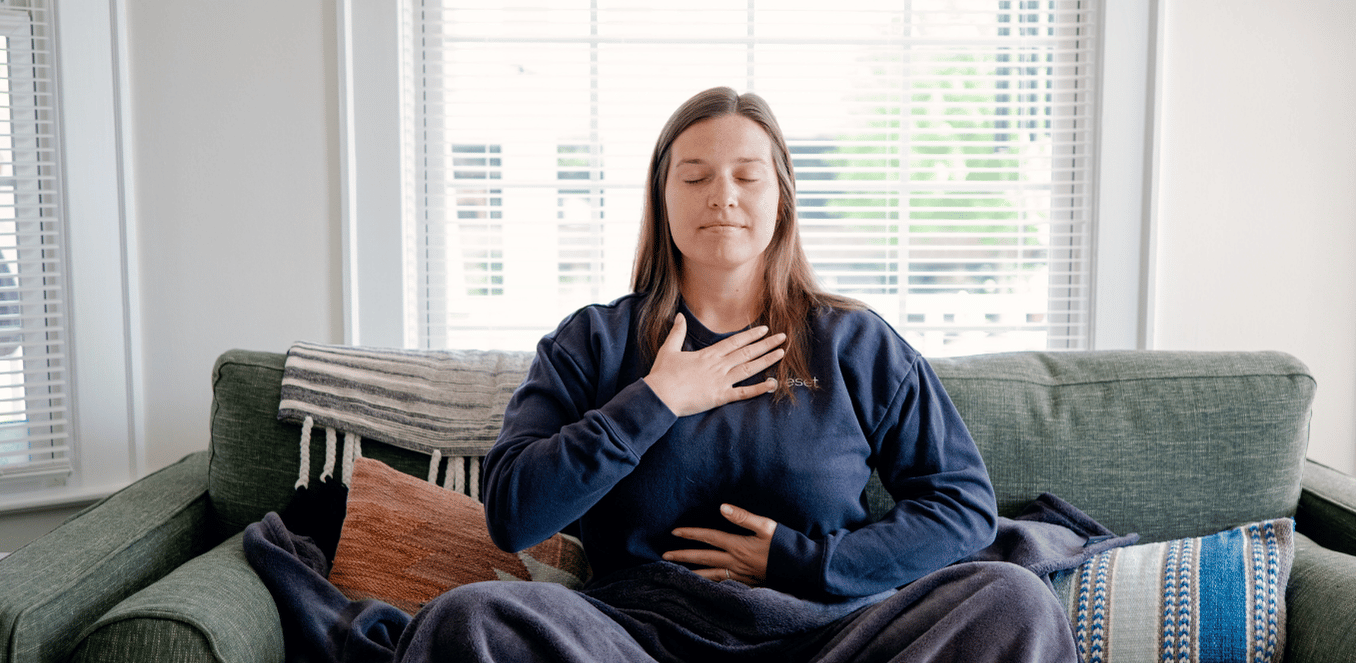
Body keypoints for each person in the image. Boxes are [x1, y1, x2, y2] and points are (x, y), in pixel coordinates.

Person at [403, 87, 1079, 662]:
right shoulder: (592, 341)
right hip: (641, 637)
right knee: (467, 616)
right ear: (661, 200)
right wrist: (658, 398)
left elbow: (960, 508)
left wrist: (802, 562)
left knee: (1015, 599)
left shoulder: (856, 343)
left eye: (746, 176)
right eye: (695, 177)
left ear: (781, 196)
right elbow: (514, 513)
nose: (721, 196)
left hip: (830, 631)